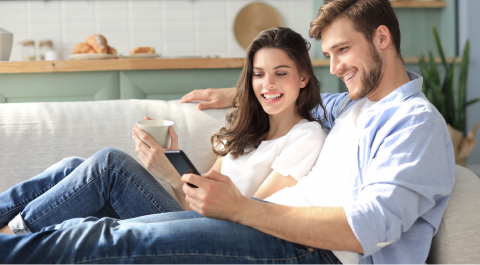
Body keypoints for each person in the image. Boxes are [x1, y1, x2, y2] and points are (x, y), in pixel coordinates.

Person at [0, 0, 455, 265]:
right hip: (273, 231)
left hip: (315, 254)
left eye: (342, 51)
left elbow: (368, 227)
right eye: (329, 56)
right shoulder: (354, 106)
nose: (334, 68)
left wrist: (242, 209)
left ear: (382, 38)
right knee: (93, 183)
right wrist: (236, 93)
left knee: (97, 236)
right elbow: (294, 95)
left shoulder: (414, 125)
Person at [0, 27, 327, 237]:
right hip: (193, 222)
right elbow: (193, 205)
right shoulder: (246, 134)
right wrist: (172, 161)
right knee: (74, 168)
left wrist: (170, 174)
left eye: (280, 73)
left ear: (303, 78)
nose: (267, 84)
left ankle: (11, 236)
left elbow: (256, 215)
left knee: (111, 167)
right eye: (258, 74)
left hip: (219, 237)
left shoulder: (306, 136)